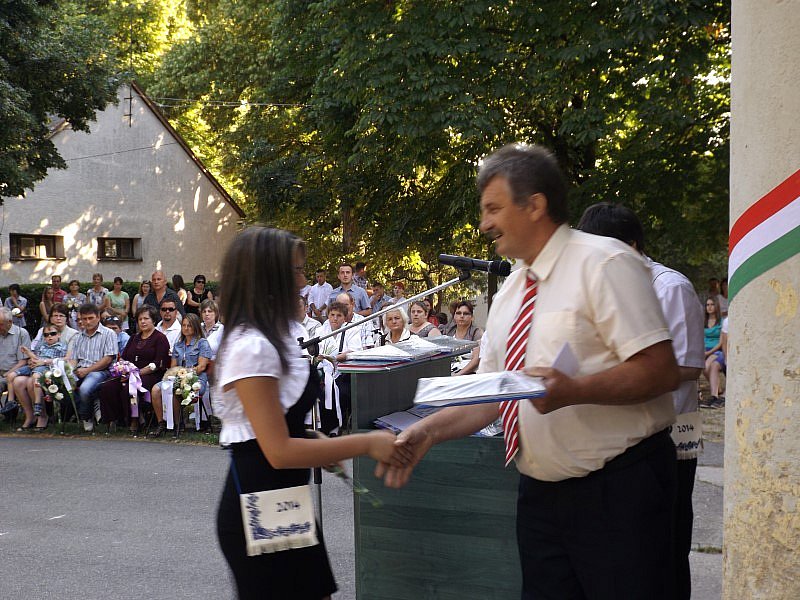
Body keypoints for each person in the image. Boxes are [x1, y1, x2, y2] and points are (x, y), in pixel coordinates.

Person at [377, 143, 680, 599]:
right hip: (539, 498)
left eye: (494, 208)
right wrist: (427, 431)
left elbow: (660, 371)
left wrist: (575, 390)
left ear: (535, 205)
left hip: (619, 493)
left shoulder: (606, 263)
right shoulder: (511, 290)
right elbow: (493, 396)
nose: (484, 224)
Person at [211, 226, 403, 599]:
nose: (304, 282)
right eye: (297, 271)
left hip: (281, 497)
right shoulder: (253, 347)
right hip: (259, 500)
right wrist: (365, 444)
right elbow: (278, 451)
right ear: (271, 278)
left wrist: (313, 439)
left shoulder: (274, 336)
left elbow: (276, 425)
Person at [577, 201, 706, 600]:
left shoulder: (670, 287)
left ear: (632, 246)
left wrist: (620, 375)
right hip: (617, 438)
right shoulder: (601, 289)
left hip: (670, 436)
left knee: (666, 548)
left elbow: (687, 366)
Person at [99, 305, 170, 433]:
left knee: (129, 388)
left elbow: (158, 363)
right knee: (107, 386)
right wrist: (122, 370)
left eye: (146, 318)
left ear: (153, 320)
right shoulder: (134, 338)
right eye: (140, 319)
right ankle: (113, 419)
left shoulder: (160, 338)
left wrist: (136, 373)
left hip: (150, 375)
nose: (143, 322)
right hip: (129, 374)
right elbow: (124, 358)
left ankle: (135, 419)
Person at [150, 313, 212, 438]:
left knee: (176, 390)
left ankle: (178, 425)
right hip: (177, 377)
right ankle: (161, 423)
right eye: (184, 325)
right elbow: (173, 367)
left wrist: (185, 374)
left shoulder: (202, 343)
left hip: (196, 379)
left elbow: (201, 367)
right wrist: (177, 376)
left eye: (189, 325)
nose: (186, 328)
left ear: (195, 327)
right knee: (156, 389)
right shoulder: (178, 345)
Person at [67, 303, 118, 432]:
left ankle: (86, 417)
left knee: (85, 388)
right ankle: (92, 403)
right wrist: (68, 372)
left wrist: (87, 370)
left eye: (91, 318)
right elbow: (74, 359)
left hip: (101, 371)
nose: (87, 322)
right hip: (80, 370)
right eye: (84, 319)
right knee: (64, 385)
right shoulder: (79, 337)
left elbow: (108, 359)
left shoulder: (109, 333)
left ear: (98, 317)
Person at [15, 324, 69, 431]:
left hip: (49, 370)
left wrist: (43, 362)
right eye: (46, 335)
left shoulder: (62, 346)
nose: (49, 336)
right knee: (16, 381)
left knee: (34, 379)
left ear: (59, 335)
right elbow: (35, 357)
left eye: (52, 334)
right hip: (36, 368)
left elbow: (65, 359)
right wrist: (30, 358)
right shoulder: (41, 345)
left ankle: (41, 413)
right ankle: (30, 416)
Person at [0, 307, 33, 418]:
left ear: (10, 322)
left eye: (1, 324)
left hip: (13, 374)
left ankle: (10, 409)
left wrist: (6, 374)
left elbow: (23, 361)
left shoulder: (21, 334)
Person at [700, 295, 726, 408]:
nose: (709, 307)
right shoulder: (703, 321)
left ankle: (714, 395)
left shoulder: (721, 322)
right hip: (704, 349)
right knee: (702, 367)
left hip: (716, 350)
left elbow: (721, 342)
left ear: (716, 306)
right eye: (707, 305)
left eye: (712, 304)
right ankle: (717, 389)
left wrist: (708, 353)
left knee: (706, 366)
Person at [447, 301, 483, 375]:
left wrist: (458, 375)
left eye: (466, 313)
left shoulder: (476, 332)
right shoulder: (449, 332)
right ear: (454, 316)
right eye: (458, 313)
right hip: (449, 371)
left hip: (469, 374)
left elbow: (476, 359)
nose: (462, 316)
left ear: (472, 317)